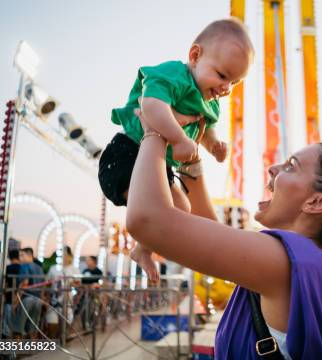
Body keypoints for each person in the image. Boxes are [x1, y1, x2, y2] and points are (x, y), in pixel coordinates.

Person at [125, 110, 322, 359]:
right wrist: (192, 161)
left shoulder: (284, 260)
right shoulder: (309, 262)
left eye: (291, 166)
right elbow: (210, 232)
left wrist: (155, 129)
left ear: (316, 202)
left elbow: (146, 220)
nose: (273, 168)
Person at [98, 18, 254, 282]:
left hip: (159, 163)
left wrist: (212, 145)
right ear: (195, 56)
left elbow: (204, 131)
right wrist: (179, 138)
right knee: (157, 209)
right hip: (127, 154)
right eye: (222, 76)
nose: (226, 88)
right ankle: (141, 225)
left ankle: (142, 249)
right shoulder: (174, 75)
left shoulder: (210, 102)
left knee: (181, 206)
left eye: (235, 83)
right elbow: (152, 106)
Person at [46, 246, 80, 336]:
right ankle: (52, 344)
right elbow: (47, 283)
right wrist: (45, 297)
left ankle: (63, 341)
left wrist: (72, 284)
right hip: (54, 299)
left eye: (65, 255)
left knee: (66, 324)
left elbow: (78, 285)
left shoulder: (74, 269)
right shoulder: (53, 268)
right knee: (51, 322)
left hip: (68, 301)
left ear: (69, 256)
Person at [15, 247, 44, 338]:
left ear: (29, 255)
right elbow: (43, 285)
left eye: (22, 255)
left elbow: (25, 283)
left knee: (19, 326)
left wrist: (16, 300)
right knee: (34, 326)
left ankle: (17, 350)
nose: (20, 258)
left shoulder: (24, 266)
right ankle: (32, 347)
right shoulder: (39, 268)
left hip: (27, 298)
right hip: (38, 299)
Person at [3, 249, 21, 337]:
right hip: (21, 300)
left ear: (10, 257)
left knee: (7, 326)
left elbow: (5, 284)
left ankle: (7, 348)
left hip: (10, 299)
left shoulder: (8, 268)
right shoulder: (22, 268)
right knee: (18, 328)